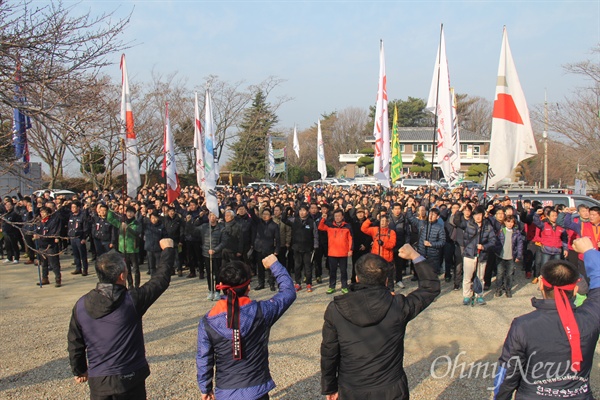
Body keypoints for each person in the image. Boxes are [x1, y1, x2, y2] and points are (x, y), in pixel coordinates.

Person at [320, 244, 441, 400]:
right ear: (386, 281)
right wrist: (415, 256)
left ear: (357, 278)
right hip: (390, 389)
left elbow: (329, 351)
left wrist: (329, 387)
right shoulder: (398, 306)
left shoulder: (336, 309)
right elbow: (430, 287)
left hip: (352, 388)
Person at [68, 238, 175, 400]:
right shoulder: (131, 301)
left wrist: (79, 369)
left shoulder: (81, 305)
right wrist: (168, 250)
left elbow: (75, 343)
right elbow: (160, 280)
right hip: (129, 379)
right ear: (122, 275)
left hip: (100, 382)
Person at [493, 237, 600, 399]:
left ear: (542, 285)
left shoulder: (523, 325)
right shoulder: (591, 318)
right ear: (576, 289)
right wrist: (589, 252)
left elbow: (508, 371)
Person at [197, 254, 296, 400]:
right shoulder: (263, 311)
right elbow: (288, 292)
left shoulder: (208, 321)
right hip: (257, 389)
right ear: (248, 287)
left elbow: (203, 357)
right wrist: (275, 265)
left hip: (226, 391)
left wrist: (205, 387)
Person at [454, 205, 496, 305]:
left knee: (480, 277)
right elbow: (457, 221)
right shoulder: (468, 224)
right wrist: (461, 209)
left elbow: (493, 241)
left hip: (482, 255)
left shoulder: (488, 227)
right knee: (467, 277)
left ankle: (479, 295)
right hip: (469, 254)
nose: (478, 217)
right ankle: (466, 296)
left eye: (480, 214)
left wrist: (484, 247)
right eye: (476, 214)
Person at [283, 203, 318, 292]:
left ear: (307, 212)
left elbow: (315, 235)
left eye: (304, 211)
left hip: (307, 248)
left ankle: (309, 283)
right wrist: (287, 209)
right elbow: (284, 219)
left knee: (308, 266)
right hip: (296, 247)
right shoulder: (294, 220)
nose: (302, 213)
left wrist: (315, 245)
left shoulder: (311, 222)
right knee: (297, 266)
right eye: (300, 211)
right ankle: (298, 283)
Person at [318, 208, 353, 294]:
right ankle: (332, 286)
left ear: (342, 217)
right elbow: (320, 227)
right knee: (332, 271)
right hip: (332, 253)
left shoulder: (347, 226)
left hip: (343, 253)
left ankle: (344, 286)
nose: (337, 218)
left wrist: (350, 250)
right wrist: (323, 218)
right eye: (336, 216)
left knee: (343, 271)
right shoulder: (330, 226)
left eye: (339, 216)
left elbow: (351, 239)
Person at [494, 215, 523, 298]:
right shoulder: (501, 231)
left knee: (509, 274)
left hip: (511, 257)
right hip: (501, 256)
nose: (510, 224)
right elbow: (496, 242)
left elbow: (519, 245)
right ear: (505, 222)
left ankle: (508, 289)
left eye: (512, 222)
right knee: (499, 274)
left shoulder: (516, 233)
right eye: (508, 222)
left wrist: (519, 256)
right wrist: (496, 251)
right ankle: (498, 289)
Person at [68, 201, 91, 276]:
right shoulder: (71, 216)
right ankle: (78, 268)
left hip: (80, 238)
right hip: (72, 237)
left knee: (82, 254)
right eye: (72, 207)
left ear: (78, 207)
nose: (73, 209)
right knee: (76, 254)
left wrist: (84, 238)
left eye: (74, 207)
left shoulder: (82, 216)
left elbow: (85, 228)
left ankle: (85, 269)